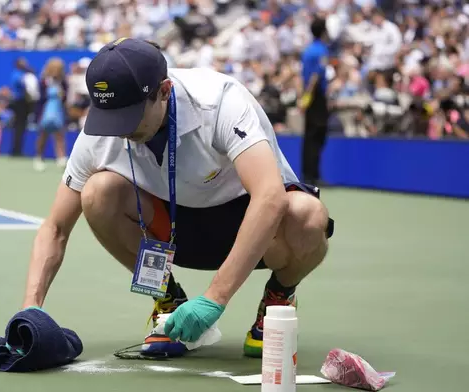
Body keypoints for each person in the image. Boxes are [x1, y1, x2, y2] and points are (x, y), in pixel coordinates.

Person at [20, 38, 335, 359]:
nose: (120, 131)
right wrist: (30, 311)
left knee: (307, 214)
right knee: (97, 193)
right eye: (111, 117)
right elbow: (55, 228)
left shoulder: (220, 101)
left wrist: (214, 298)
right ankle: (168, 299)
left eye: (130, 116)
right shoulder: (102, 129)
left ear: (165, 91)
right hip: (170, 232)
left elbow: (269, 198)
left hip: (255, 229)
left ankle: (278, 297)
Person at [299, 18, 330, 186]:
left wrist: (303, 97)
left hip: (309, 95)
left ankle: (308, 174)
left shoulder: (307, 50)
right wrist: (308, 96)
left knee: (309, 136)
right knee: (317, 136)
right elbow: (316, 76)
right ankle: (313, 176)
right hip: (316, 96)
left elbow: (302, 75)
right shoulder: (321, 51)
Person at [33, 57, 69, 172]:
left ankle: (61, 158)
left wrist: (62, 95)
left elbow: (65, 97)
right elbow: (40, 98)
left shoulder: (63, 82)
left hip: (58, 111)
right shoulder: (43, 81)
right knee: (43, 136)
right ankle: (39, 158)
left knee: (59, 135)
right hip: (45, 112)